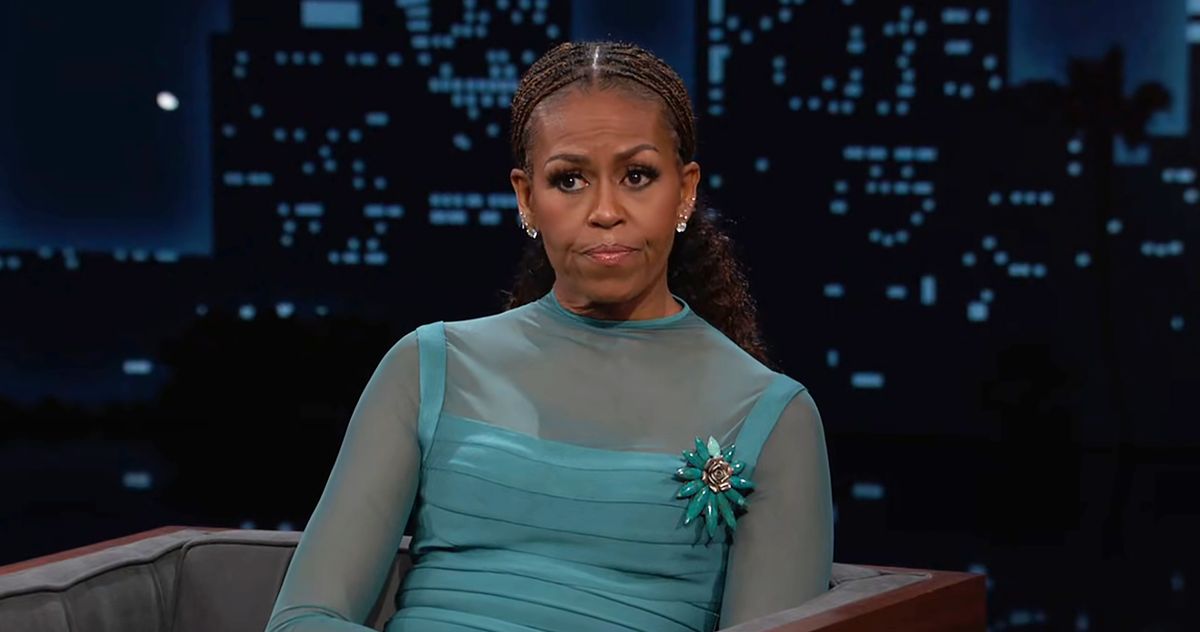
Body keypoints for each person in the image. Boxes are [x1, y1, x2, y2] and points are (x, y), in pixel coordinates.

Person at [266, 40, 833, 632]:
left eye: (637, 175)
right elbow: (304, 618)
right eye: (570, 180)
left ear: (685, 191)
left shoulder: (773, 417)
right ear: (527, 197)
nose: (605, 210)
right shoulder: (429, 368)